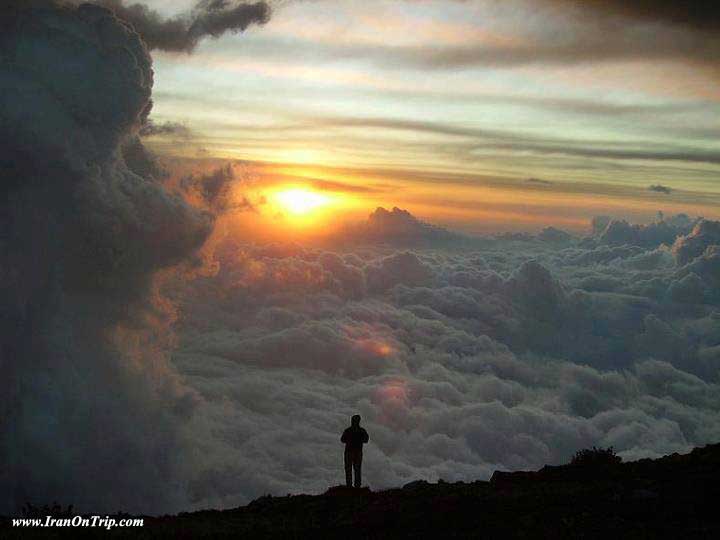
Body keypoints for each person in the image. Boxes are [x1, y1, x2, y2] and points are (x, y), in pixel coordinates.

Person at [341, 414, 369, 488]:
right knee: (357, 469)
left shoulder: (348, 430)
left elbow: (343, 440)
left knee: (349, 469)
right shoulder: (362, 431)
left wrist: (350, 440)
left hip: (349, 452)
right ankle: (357, 486)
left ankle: (349, 486)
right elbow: (366, 440)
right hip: (357, 452)